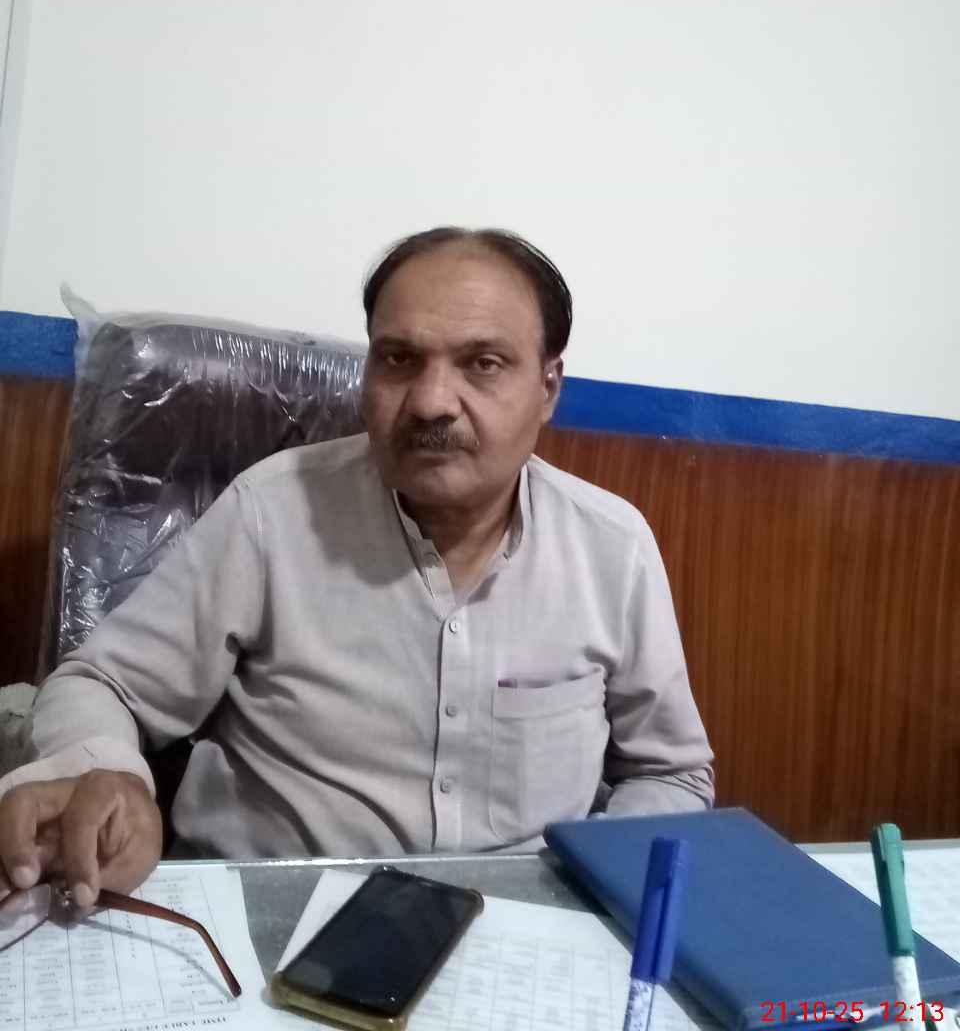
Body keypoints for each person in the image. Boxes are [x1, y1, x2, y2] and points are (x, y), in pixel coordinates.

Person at [0, 227, 713, 908]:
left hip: (522, 928)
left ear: (548, 388)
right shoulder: (270, 513)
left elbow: (669, 771)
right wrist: (109, 773)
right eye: (398, 359)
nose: (430, 402)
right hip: (267, 914)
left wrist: (598, 890)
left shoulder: (611, 547)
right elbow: (102, 684)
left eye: (483, 364)